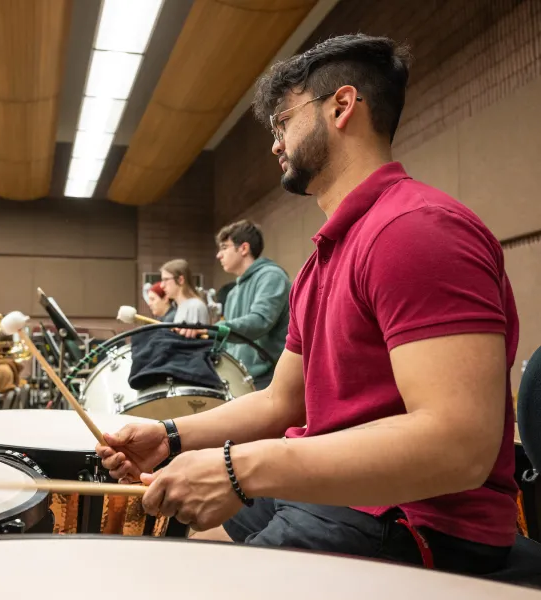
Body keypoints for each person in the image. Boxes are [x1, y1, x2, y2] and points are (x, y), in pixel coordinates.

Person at [96, 34, 518, 576]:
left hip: (416, 520)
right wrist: (169, 436)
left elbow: (458, 446)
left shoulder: (415, 231)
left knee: (182, 580)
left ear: (341, 106)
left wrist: (237, 468)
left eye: (282, 122)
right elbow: (282, 402)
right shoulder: (325, 258)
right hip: (336, 496)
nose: (275, 143)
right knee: (182, 548)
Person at [215, 220, 290, 390]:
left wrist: (217, 329)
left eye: (224, 247)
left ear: (243, 248)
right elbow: (230, 342)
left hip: (268, 379)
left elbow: (260, 321)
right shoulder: (233, 292)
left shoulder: (271, 277)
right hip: (240, 378)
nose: (219, 255)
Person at [160, 259, 209, 326]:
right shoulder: (183, 306)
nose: (162, 285)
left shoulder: (193, 306)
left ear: (180, 280)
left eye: (166, 280)